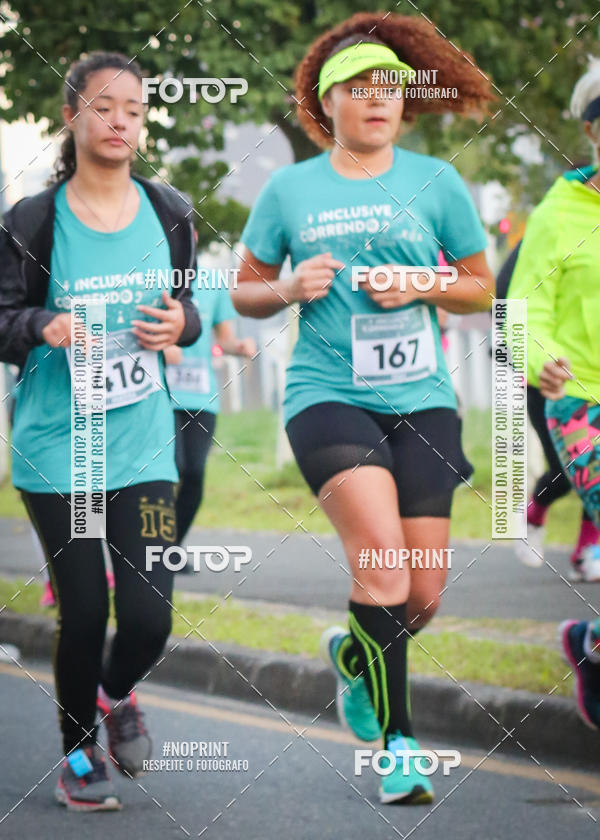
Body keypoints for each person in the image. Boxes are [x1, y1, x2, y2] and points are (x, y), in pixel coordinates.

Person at [232, 12, 494, 805]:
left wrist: (422, 283)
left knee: (422, 596)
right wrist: (288, 287)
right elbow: (245, 291)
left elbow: (480, 288)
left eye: (390, 87)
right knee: (380, 561)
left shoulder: (437, 182)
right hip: (328, 396)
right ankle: (399, 747)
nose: (378, 99)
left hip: (423, 400)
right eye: (359, 87)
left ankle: (353, 657)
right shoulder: (290, 189)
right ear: (327, 101)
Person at [0, 52, 201, 811]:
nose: (120, 121)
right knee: (84, 610)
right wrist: (40, 324)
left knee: (149, 618)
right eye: (104, 107)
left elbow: (188, 309)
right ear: (71, 116)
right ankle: (78, 753)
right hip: (62, 450)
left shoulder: (170, 211)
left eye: (134, 111)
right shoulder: (32, 221)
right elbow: (1, 318)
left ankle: (112, 695)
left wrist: (181, 324)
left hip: (144, 446)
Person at [507, 58, 600, 582]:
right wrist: (541, 359)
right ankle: (541, 518)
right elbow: (523, 309)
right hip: (579, 397)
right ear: (591, 131)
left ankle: (586, 631)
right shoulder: (557, 214)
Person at [498, 242, 600, 576]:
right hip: (547, 381)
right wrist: (530, 354)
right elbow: (504, 302)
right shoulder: (544, 235)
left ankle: (587, 553)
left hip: (593, 377)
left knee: (595, 463)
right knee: (566, 470)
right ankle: (533, 513)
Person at [164, 271, 256, 547]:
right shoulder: (152, 272)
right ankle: (151, 547)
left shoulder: (212, 281)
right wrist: (161, 348)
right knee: (172, 468)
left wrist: (239, 346)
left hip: (201, 397)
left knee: (194, 473)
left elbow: (223, 338)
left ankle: (169, 548)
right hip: (161, 396)